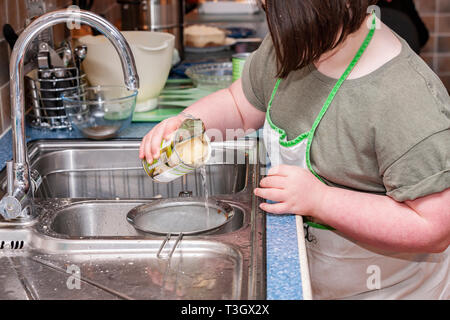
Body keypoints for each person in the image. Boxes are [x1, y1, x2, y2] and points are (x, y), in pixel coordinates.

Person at [140, 0, 449, 299]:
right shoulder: (292, 43)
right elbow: (240, 104)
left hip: (390, 289)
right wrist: (190, 122)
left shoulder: (406, 100)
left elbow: (432, 227)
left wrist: (322, 200)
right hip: (315, 277)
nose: (281, 43)